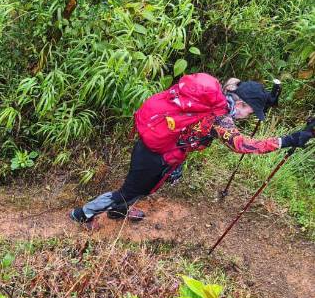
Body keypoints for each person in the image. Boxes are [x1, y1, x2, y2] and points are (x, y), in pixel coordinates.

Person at [70, 77, 314, 228]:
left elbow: (235, 82)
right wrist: (289, 140)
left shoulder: (220, 94)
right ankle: (82, 214)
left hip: (165, 152)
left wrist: (265, 100)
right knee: (129, 191)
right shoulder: (220, 118)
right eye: (250, 111)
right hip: (155, 155)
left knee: (145, 187)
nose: (248, 117)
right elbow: (242, 145)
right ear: (239, 104)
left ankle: (118, 211)